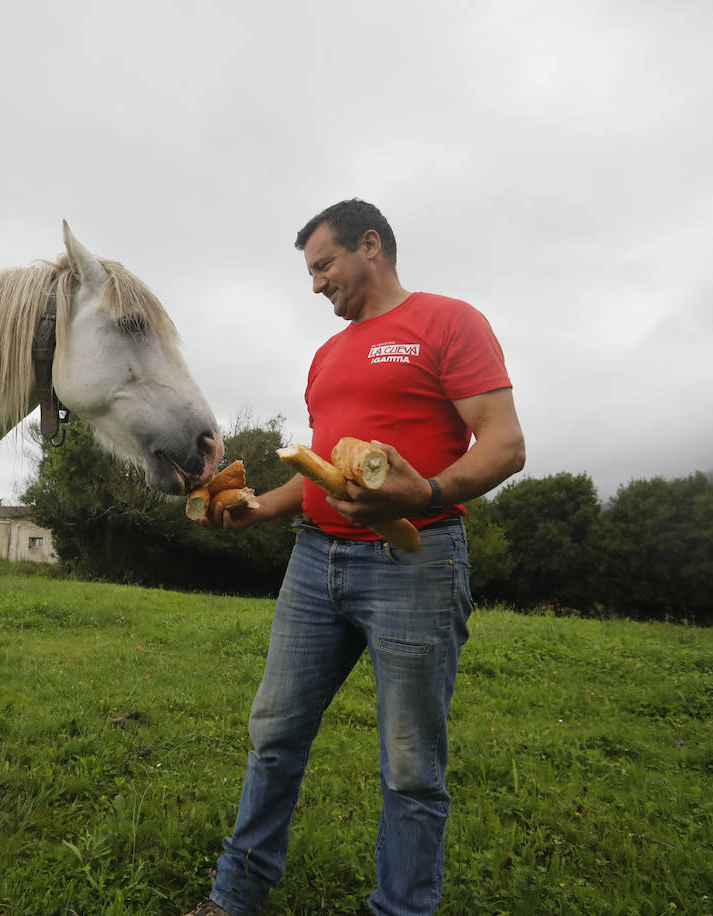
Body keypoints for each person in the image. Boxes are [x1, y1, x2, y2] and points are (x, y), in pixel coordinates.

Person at [183, 199, 526, 916]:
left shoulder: (447, 321)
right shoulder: (328, 355)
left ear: (371, 245)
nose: (316, 286)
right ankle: (233, 898)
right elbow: (317, 477)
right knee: (273, 734)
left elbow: (504, 445)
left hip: (417, 561)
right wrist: (253, 511)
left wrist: (426, 491)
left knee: (410, 767)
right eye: (310, 273)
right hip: (315, 564)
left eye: (324, 266)